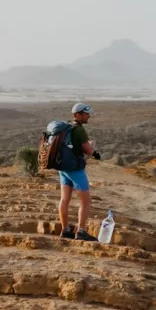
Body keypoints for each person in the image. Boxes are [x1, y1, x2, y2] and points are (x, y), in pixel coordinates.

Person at [59, 102, 101, 240]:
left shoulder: (68, 128)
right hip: (75, 170)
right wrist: (94, 151)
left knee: (65, 199)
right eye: (86, 113)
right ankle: (81, 232)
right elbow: (88, 150)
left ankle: (65, 230)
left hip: (63, 168)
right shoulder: (79, 129)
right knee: (86, 201)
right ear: (77, 114)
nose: (88, 116)